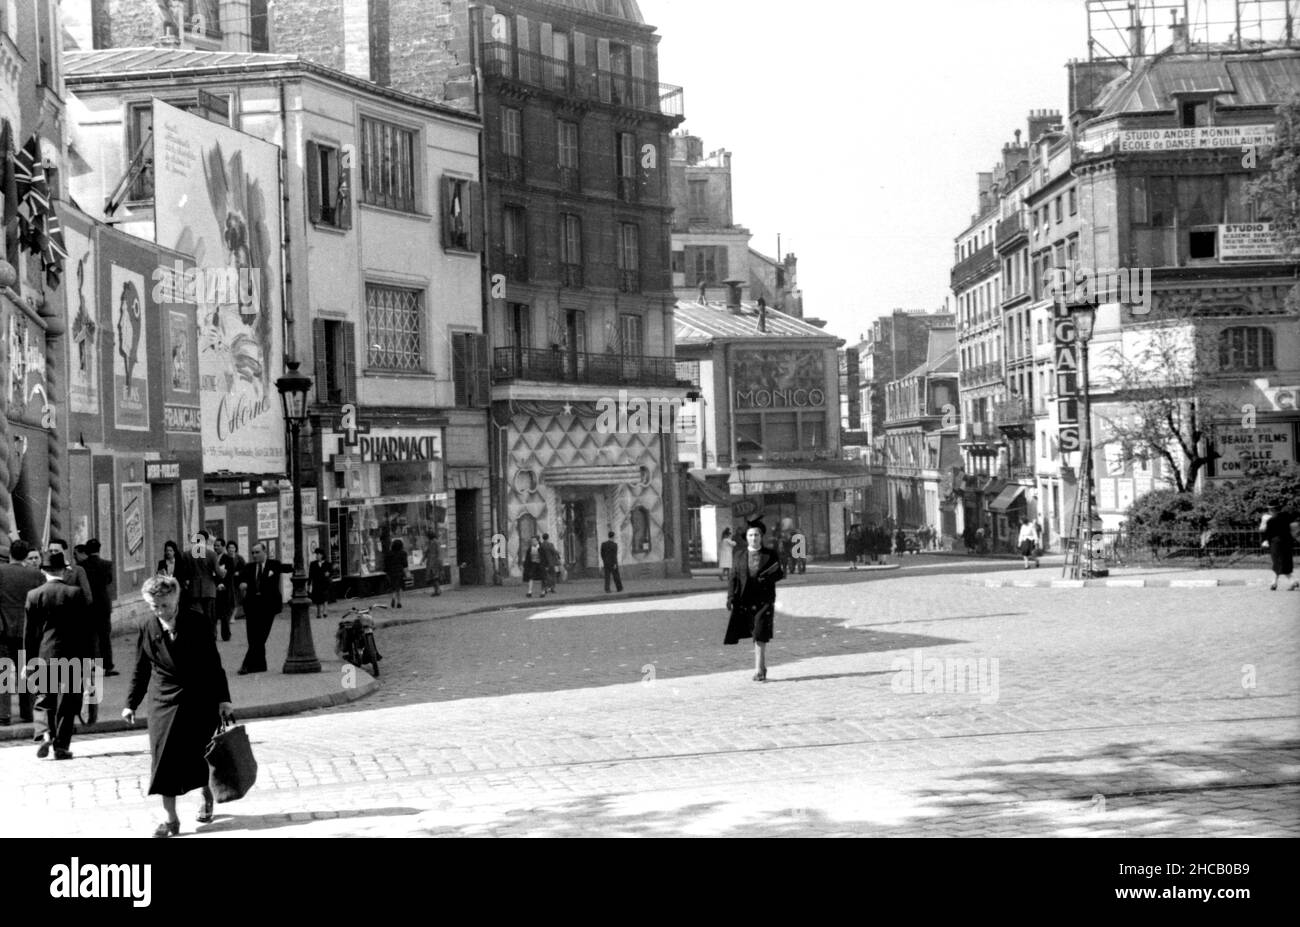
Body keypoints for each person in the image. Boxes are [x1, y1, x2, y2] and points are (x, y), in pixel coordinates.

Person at [122, 575, 234, 837]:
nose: (160, 611)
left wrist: (223, 699)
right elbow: (141, 668)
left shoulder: (196, 622)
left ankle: (206, 796)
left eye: (165, 606)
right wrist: (130, 703)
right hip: (163, 701)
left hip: (198, 699)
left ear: (176, 601)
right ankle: (171, 820)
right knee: (163, 762)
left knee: (200, 756)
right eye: (154, 606)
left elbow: (212, 664)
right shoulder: (147, 626)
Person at [25, 551, 91, 759]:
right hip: (72, 654)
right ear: (64, 570)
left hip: (45, 653)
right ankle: (61, 745)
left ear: (43, 571)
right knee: (69, 700)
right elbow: (85, 630)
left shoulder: (34, 595)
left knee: (44, 697)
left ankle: (45, 734)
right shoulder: (75, 593)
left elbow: (30, 634)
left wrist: (28, 662)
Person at [724, 520, 784, 682]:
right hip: (745, 600)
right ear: (746, 538)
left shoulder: (770, 554)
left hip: (764, 600)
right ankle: (762, 666)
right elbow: (733, 578)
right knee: (753, 631)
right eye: (750, 535)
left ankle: (758, 669)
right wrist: (730, 597)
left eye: (756, 535)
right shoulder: (739, 555)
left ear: (761, 536)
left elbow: (780, 573)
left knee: (759, 632)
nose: (754, 538)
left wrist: (767, 577)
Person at [0, 540, 43, 726]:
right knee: (27, 671)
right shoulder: (36, 575)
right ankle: (28, 711)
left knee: (3, 671)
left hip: (3, 628)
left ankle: (3, 713)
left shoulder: (1, 572)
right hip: (28, 630)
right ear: (26, 556)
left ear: (10, 554)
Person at [236, 543, 292, 675]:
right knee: (252, 636)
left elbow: (289, 568)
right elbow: (241, 579)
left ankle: (246, 664)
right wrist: (242, 584)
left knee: (261, 635)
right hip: (252, 605)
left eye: (257, 552)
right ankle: (260, 665)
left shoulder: (274, 564)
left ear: (264, 552)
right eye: (253, 553)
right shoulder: (249, 567)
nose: (255, 555)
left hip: (268, 606)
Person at [181, 531, 227, 639]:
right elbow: (218, 573)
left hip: (194, 589)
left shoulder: (187, 554)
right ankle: (211, 635)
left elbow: (184, 573)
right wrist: (223, 572)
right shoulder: (211, 554)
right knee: (210, 615)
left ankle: (198, 635)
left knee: (196, 615)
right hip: (209, 589)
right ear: (206, 540)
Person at [83, 539, 116, 675]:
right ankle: (107, 665)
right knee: (104, 636)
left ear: (87, 550)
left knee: (90, 636)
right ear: (99, 548)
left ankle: (91, 665)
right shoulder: (106, 564)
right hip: (103, 603)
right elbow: (109, 580)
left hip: (88, 605)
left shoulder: (82, 565)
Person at [1260, 508, 1298, 592]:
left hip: (1276, 544)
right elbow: (1294, 526)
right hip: (1287, 543)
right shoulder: (1287, 517)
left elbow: (1267, 533)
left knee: (1278, 563)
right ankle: (1274, 583)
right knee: (1284, 562)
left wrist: (1265, 541)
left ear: (1271, 510)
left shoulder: (1271, 521)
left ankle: (1292, 581)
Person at [217, 540, 245, 640]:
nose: (231, 549)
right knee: (228, 604)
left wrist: (238, 573)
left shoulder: (237, 558)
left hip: (234, 583)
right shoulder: (220, 557)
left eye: (233, 548)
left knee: (233, 602)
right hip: (225, 585)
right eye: (229, 548)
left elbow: (242, 568)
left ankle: (231, 618)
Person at [307, 548, 332, 619]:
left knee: (325, 597)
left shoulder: (327, 564)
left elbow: (331, 572)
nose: (316, 556)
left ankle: (325, 611)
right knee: (317, 598)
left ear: (322, 555)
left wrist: (329, 573)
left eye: (318, 554)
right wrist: (309, 584)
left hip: (325, 583)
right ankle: (318, 612)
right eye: (316, 554)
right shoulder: (313, 564)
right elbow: (310, 575)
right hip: (316, 583)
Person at [385, 539, 409, 609]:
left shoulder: (389, 553)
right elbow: (405, 564)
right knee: (398, 587)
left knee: (394, 586)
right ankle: (399, 602)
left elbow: (386, 564)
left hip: (391, 572)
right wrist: (407, 572)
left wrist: (387, 572)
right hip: (399, 571)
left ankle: (393, 597)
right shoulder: (403, 553)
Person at [427, 531, 443, 597]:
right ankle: (437, 590)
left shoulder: (436, 542)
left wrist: (439, 562)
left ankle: (437, 590)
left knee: (435, 577)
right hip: (431, 561)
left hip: (435, 562)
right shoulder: (431, 542)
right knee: (433, 577)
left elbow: (438, 552)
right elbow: (428, 551)